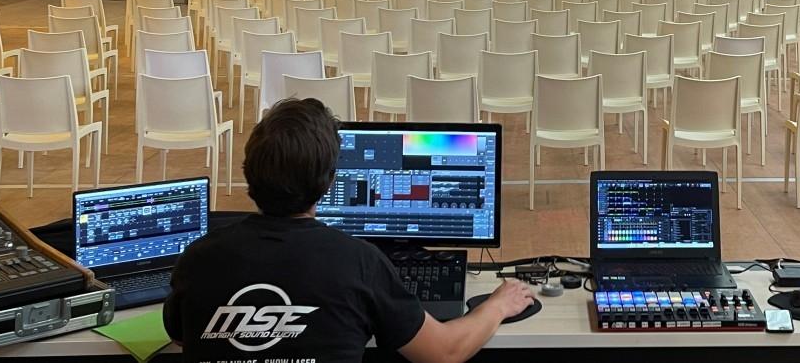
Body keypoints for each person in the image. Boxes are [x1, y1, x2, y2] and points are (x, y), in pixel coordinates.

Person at [164, 98, 533, 363]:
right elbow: (445, 352)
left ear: (249, 172)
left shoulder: (198, 258)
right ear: (329, 182)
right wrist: (498, 305)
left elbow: (180, 337)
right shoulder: (356, 261)